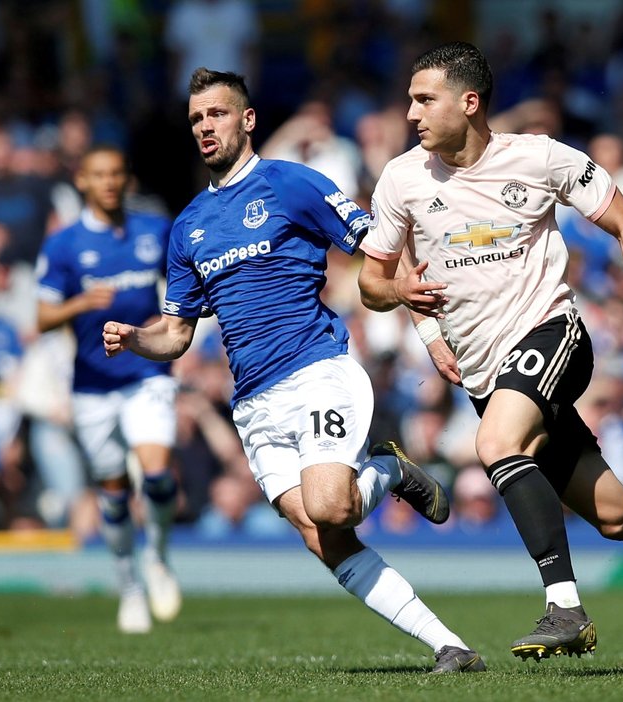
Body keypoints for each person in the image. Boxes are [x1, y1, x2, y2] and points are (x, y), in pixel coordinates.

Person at [356, 41, 623, 661]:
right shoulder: (401, 179)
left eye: (425, 99)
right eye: (409, 100)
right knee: (616, 517)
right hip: (484, 373)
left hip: (553, 334)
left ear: (469, 102)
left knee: (497, 445)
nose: (411, 113)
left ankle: (564, 607)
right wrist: (408, 303)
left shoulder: (541, 158)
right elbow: (371, 282)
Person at [103, 67, 485, 674]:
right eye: (198, 118)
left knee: (332, 506)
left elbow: (379, 252)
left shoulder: (293, 185)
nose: (206, 127)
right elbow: (175, 335)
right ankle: (452, 647)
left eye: (218, 114)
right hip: (253, 402)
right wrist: (135, 338)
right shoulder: (188, 227)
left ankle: (388, 469)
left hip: (316, 370)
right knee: (321, 534)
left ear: (247, 120)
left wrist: (427, 324)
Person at [36, 145, 182, 634]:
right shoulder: (63, 245)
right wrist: (79, 304)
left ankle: (157, 558)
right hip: (92, 385)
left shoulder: (153, 230)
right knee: (114, 492)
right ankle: (129, 586)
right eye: (99, 175)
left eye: (117, 173)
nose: (109, 183)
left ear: (127, 179)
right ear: (82, 181)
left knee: (157, 473)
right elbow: (41, 316)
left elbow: (182, 288)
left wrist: (164, 331)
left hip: (145, 371)